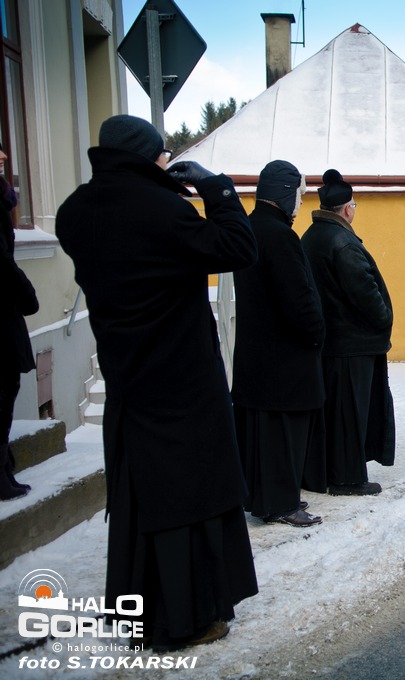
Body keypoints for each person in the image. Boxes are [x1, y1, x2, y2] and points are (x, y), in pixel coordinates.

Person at [55, 114, 258, 651]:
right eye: (164, 156)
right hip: (182, 378)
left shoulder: (74, 212)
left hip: (128, 377)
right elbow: (239, 249)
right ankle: (188, 617)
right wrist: (215, 190)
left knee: (143, 499)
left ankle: (140, 611)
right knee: (190, 499)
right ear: (150, 157)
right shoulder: (163, 210)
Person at [232, 161, 325, 527]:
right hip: (285, 356)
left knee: (263, 433)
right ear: (284, 194)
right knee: (285, 434)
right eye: (298, 195)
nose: (300, 203)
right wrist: (315, 332)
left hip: (256, 354)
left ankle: (267, 497)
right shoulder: (280, 235)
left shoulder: (250, 228)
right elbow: (297, 298)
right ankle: (282, 503)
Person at [301, 169, 395, 495]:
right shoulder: (342, 242)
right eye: (353, 205)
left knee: (334, 412)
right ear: (346, 209)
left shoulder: (312, 236)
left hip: (330, 341)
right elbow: (365, 292)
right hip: (353, 342)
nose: (354, 210)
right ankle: (348, 478)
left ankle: (330, 472)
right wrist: (384, 318)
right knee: (352, 414)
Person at [1, 142, 37, 501]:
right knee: (2, 389)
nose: (3, 157)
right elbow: (2, 261)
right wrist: (27, 295)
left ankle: (4, 467)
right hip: (2, 312)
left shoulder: (3, 197)